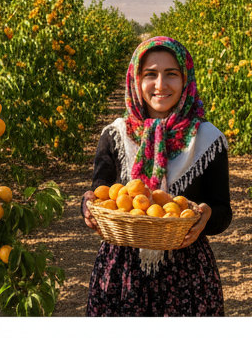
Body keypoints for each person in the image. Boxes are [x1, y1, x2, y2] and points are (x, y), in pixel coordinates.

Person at [81, 36, 232, 316]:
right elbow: (100, 191)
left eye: (171, 74)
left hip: (187, 276)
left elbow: (222, 209)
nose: (160, 85)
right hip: (122, 272)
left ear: (185, 80)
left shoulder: (208, 139)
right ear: (136, 80)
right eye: (150, 74)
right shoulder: (115, 135)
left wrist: (207, 216)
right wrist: (86, 206)